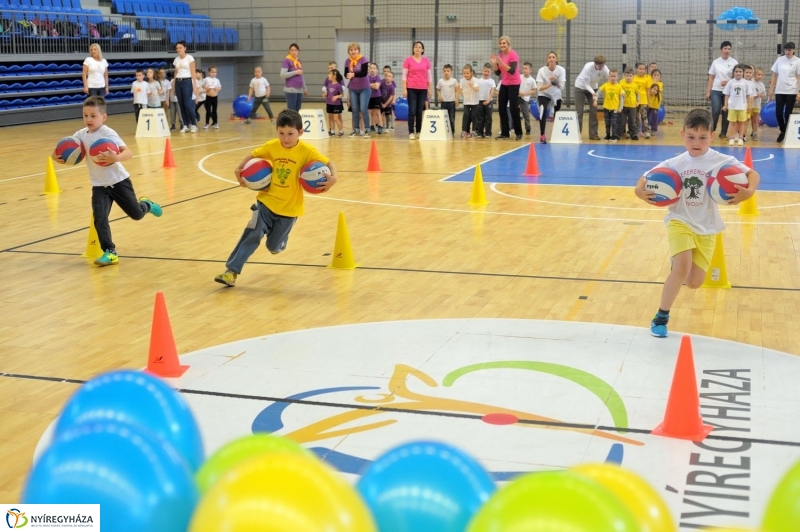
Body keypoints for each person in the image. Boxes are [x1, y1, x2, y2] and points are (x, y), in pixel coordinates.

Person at [634, 109, 759, 338]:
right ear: (682, 134)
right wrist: (639, 191)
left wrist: (748, 192)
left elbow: (752, 174)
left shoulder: (722, 161)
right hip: (679, 220)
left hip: (707, 226)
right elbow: (644, 178)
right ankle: (661, 315)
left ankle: (679, 265)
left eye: (702, 137)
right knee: (681, 268)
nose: (696, 142)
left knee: (694, 282)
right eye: (691, 136)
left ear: (712, 136)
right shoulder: (675, 163)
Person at [214, 110, 338, 288]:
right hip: (266, 202)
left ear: (300, 133)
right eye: (281, 133)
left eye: (290, 134)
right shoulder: (272, 146)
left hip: (289, 209)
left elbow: (329, 163)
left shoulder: (306, 151)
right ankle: (231, 272)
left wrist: (334, 178)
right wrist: (239, 168)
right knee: (252, 234)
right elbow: (254, 155)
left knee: (273, 246)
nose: (285, 138)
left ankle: (279, 243)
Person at [52, 96, 162, 267]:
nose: (88, 119)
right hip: (99, 185)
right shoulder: (80, 136)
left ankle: (146, 205)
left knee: (136, 214)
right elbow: (66, 148)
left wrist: (115, 157)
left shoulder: (108, 133)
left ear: (103, 117)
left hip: (119, 181)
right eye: (85, 115)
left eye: (93, 115)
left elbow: (129, 153)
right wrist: (57, 156)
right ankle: (110, 252)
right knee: (100, 218)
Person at [490, 35, 522, 140]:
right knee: (501, 108)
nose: (502, 45)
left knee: (513, 108)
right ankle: (505, 132)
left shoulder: (513, 54)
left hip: (514, 83)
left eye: (504, 43)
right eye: (500, 43)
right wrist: (495, 64)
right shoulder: (500, 55)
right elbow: (498, 72)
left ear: (508, 44)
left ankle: (518, 132)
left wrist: (501, 62)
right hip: (505, 83)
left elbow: (512, 70)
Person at [768, 42, 800, 144]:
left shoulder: (797, 61)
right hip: (780, 90)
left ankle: (785, 133)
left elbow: (799, 77)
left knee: (787, 113)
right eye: (786, 50)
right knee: (778, 112)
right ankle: (783, 130)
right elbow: (774, 75)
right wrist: (771, 89)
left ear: (794, 50)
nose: (788, 52)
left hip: (792, 90)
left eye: (790, 50)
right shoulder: (780, 60)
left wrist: (799, 91)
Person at [706, 40, 737, 140]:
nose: (727, 50)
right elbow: (711, 77)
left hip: (729, 91)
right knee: (715, 111)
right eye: (725, 48)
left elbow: (737, 77)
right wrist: (708, 91)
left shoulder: (734, 62)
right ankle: (711, 130)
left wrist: (728, 82)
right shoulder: (716, 62)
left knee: (726, 111)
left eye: (729, 49)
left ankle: (723, 132)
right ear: (721, 50)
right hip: (716, 90)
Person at [402, 41, 433, 140]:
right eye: (415, 47)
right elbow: (404, 76)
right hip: (411, 88)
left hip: (423, 89)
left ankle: (419, 131)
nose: (417, 49)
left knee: (419, 111)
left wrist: (430, 89)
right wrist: (404, 89)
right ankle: (411, 132)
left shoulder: (426, 61)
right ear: (413, 49)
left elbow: (429, 76)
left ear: (422, 50)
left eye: (419, 47)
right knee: (412, 111)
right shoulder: (408, 60)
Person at [574, 55, 609, 140]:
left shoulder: (605, 69)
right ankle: (577, 135)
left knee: (594, 110)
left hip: (593, 87)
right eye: (599, 66)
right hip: (580, 87)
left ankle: (593, 134)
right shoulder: (588, 68)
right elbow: (586, 84)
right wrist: (594, 93)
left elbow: (610, 79)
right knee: (579, 111)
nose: (601, 67)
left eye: (602, 65)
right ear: (595, 64)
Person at [535, 51, 566, 144]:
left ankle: (557, 134)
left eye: (553, 57)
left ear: (556, 60)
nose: (551, 59)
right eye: (550, 57)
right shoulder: (542, 70)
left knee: (557, 111)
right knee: (543, 111)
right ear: (547, 60)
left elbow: (562, 87)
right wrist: (549, 84)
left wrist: (556, 82)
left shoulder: (561, 70)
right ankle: (542, 135)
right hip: (544, 93)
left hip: (556, 94)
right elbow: (539, 87)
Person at [722, 64, 753, 146]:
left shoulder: (746, 83)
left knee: (742, 123)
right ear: (733, 73)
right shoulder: (730, 82)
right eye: (736, 71)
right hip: (732, 106)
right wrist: (726, 105)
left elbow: (748, 95)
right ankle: (732, 138)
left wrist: (749, 105)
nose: (738, 73)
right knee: (732, 123)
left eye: (740, 71)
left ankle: (740, 138)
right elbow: (727, 94)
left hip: (742, 107)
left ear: (743, 73)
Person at [345, 42, 371, 138]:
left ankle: (367, 129)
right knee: (355, 109)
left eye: (355, 49)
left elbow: (364, 73)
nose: (353, 51)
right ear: (349, 51)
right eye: (351, 50)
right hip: (353, 88)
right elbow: (345, 73)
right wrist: (347, 75)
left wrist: (353, 74)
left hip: (364, 88)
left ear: (358, 50)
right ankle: (356, 129)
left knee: (363, 109)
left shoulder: (363, 59)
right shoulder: (347, 61)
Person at [173, 41, 198, 133]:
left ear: (185, 48)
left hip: (187, 81)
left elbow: (193, 72)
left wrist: (195, 85)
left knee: (188, 104)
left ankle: (194, 124)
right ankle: (185, 125)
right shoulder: (176, 60)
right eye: (177, 48)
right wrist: (174, 86)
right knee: (181, 105)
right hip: (178, 82)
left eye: (180, 47)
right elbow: (175, 73)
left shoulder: (189, 58)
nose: (178, 49)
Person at [595, 69, 622, 141]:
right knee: (607, 122)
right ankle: (607, 135)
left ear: (617, 77)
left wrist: (620, 107)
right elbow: (598, 92)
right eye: (611, 76)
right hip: (606, 107)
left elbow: (622, 97)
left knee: (614, 122)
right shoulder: (605, 85)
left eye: (614, 76)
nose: (613, 78)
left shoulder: (619, 86)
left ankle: (614, 136)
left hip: (615, 108)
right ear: (608, 77)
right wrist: (595, 99)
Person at [281, 43, 307, 111]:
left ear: (298, 51)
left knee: (298, 110)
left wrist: (305, 88)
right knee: (292, 111)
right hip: (291, 89)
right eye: (292, 50)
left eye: (296, 50)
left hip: (299, 89)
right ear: (289, 51)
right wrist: (295, 72)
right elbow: (282, 75)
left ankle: (296, 122)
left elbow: (301, 75)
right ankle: (291, 122)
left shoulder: (298, 61)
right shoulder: (286, 60)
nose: (294, 52)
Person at [474, 63, 496, 138]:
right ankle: (479, 132)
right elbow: (476, 90)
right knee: (480, 117)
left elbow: (492, 91)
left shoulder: (492, 81)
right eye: (485, 71)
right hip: (479, 101)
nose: (486, 73)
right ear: (482, 71)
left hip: (488, 101)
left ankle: (488, 133)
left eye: (488, 72)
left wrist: (488, 100)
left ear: (491, 72)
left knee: (488, 118)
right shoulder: (478, 81)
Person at [459, 64, 480, 138]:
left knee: (474, 116)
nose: (465, 75)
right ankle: (464, 131)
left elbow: (477, 89)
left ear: (471, 73)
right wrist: (463, 95)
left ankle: (474, 131)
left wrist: (471, 86)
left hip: (474, 101)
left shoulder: (475, 80)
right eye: (464, 73)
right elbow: (460, 89)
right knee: (466, 115)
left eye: (467, 73)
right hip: (466, 102)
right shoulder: (462, 80)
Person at [633, 63, 652, 139]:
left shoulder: (647, 79)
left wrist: (649, 102)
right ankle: (638, 131)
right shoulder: (633, 78)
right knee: (636, 117)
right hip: (635, 102)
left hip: (643, 101)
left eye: (643, 69)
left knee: (644, 117)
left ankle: (647, 131)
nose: (641, 70)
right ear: (636, 69)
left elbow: (648, 91)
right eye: (640, 69)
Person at [437, 64, 458, 135]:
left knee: (452, 119)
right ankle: (444, 132)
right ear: (443, 72)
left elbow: (457, 90)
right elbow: (438, 90)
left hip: (452, 102)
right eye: (445, 71)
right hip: (444, 103)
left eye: (448, 71)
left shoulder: (454, 81)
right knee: (444, 119)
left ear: (451, 72)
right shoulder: (440, 81)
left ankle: (452, 132)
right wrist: (439, 96)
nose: (446, 72)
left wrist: (456, 99)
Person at [618, 68, 639, 140]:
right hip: (623, 105)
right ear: (624, 76)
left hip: (632, 106)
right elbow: (618, 91)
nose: (628, 77)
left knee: (632, 121)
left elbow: (637, 94)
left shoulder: (634, 85)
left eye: (630, 76)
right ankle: (620, 134)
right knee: (622, 121)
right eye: (627, 75)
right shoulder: (621, 83)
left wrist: (638, 101)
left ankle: (633, 134)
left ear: (633, 77)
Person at [518, 62, 537, 135]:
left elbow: (534, 90)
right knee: (515, 113)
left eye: (526, 68)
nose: (524, 70)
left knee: (526, 114)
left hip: (524, 99)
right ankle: (514, 127)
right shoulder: (519, 77)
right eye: (523, 68)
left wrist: (524, 93)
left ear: (530, 70)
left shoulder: (532, 80)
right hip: (517, 97)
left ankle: (528, 128)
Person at [325, 69, 345, 137]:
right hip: (329, 103)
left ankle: (341, 130)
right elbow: (328, 93)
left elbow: (342, 95)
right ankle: (332, 131)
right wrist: (325, 94)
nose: (328, 76)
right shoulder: (329, 84)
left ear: (334, 76)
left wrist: (336, 97)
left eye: (330, 74)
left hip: (336, 104)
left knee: (336, 118)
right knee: (331, 117)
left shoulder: (338, 85)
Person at [751, 67, 767, 140]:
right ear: (754, 75)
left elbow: (764, 94)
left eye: (761, 75)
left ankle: (755, 133)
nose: (760, 76)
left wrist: (761, 95)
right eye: (758, 74)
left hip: (757, 105)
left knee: (755, 120)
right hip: (749, 104)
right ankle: (743, 134)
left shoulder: (762, 85)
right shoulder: (751, 82)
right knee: (747, 120)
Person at [367, 63, 383, 134]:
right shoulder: (367, 77)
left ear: (377, 70)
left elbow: (377, 87)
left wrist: (370, 85)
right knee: (371, 113)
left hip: (377, 96)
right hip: (370, 97)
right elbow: (365, 86)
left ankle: (380, 126)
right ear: (369, 69)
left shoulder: (377, 77)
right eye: (371, 68)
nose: (372, 70)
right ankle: (372, 126)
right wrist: (372, 85)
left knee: (377, 112)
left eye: (374, 68)